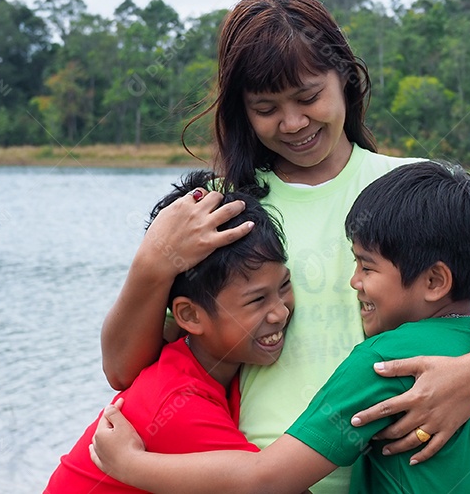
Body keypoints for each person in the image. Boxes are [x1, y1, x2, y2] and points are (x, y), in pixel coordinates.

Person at [100, 0, 470, 494]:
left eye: (309, 97)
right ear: (241, 109)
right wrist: (153, 259)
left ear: (347, 80)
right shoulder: (218, 209)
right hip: (242, 475)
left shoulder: (414, 191)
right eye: (266, 107)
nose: (293, 123)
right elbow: (123, 368)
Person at [92, 162, 470, 493]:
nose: (353, 281)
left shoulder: (384, 362)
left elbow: (266, 481)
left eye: (365, 266)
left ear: (434, 281)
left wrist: (130, 465)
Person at [45, 170, 293, 493]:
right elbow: (271, 486)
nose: (281, 311)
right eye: (257, 299)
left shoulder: (201, 362)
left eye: (285, 285)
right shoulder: (181, 404)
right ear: (189, 315)